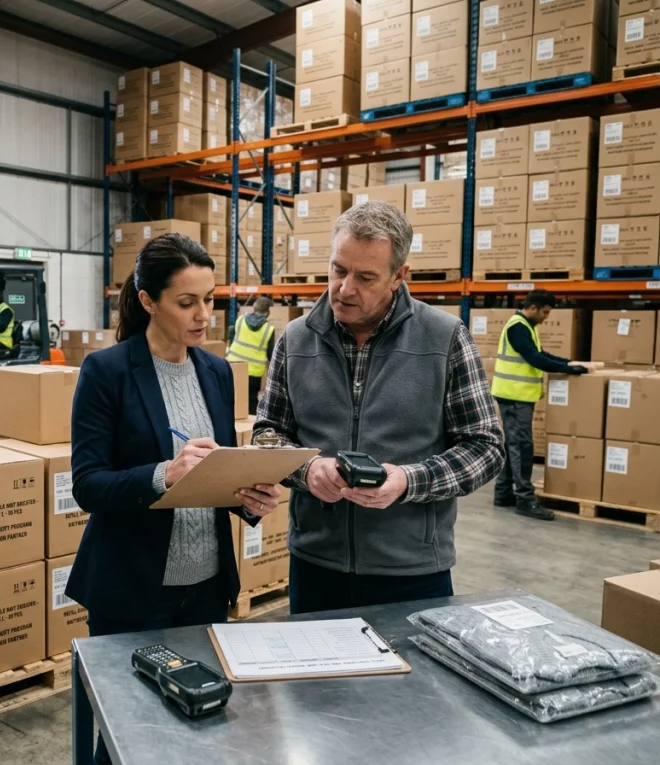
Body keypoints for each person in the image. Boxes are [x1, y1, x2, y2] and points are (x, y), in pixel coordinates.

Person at [66, 233, 283, 765]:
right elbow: (88, 484)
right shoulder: (108, 372)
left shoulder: (215, 371)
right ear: (148, 301)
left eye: (210, 299)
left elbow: (219, 475)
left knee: (198, 731)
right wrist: (164, 472)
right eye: (187, 302)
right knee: (124, 737)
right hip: (132, 591)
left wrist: (250, 497)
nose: (204, 315)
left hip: (206, 589)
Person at [254, 201, 506, 615]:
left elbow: (486, 447)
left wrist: (409, 480)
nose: (344, 288)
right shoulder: (295, 340)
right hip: (316, 567)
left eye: (365, 277)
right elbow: (267, 434)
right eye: (338, 270)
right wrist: (306, 469)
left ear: (398, 277)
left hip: (412, 572)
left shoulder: (444, 339)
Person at [492, 290, 589, 521]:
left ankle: (503, 493)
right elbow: (534, 359)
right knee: (522, 447)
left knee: (512, 446)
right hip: (515, 397)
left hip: (517, 397)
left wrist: (568, 363)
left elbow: (539, 353)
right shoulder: (518, 327)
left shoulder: (528, 326)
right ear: (533, 307)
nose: (546, 317)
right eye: (545, 312)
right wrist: (568, 369)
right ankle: (525, 499)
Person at [227, 296, 275, 415]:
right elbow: (271, 353)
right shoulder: (268, 328)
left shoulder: (240, 320)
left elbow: (231, 334)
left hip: (233, 367)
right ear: (268, 312)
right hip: (253, 372)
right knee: (252, 401)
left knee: (231, 398)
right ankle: (249, 429)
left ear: (254, 308)